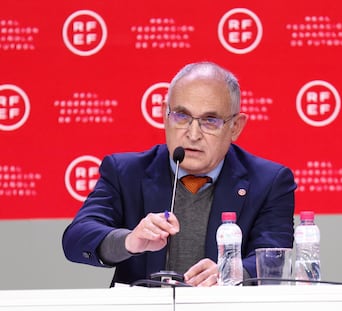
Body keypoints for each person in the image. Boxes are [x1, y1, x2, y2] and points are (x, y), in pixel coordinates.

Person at [62, 61, 296, 287]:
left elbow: (274, 258)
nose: (193, 134)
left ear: (235, 127)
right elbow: (77, 238)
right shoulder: (126, 173)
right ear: (166, 114)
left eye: (209, 121)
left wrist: (232, 272)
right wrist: (129, 240)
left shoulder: (269, 182)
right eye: (182, 116)